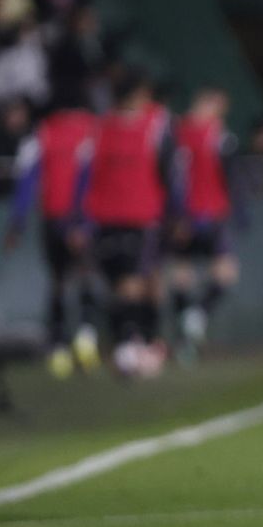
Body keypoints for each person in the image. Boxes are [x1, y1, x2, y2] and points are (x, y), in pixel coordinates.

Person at [82, 72, 176, 378]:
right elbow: (89, 175)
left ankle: (141, 343)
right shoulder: (103, 128)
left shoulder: (156, 124)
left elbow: (168, 169)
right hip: (115, 216)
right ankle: (130, 344)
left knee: (142, 281)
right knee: (125, 284)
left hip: (141, 216)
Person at [3, 97, 99, 377]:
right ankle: (85, 337)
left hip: (54, 220)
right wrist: (82, 222)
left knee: (58, 281)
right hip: (80, 219)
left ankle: (59, 346)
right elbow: (93, 177)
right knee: (85, 275)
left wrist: (16, 225)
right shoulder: (91, 130)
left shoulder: (41, 134)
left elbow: (27, 181)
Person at [169, 88, 239, 356]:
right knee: (224, 271)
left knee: (183, 274)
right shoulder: (217, 135)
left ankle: (186, 328)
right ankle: (195, 317)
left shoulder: (175, 132)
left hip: (186, 216)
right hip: (208, 212)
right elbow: (229, 176)